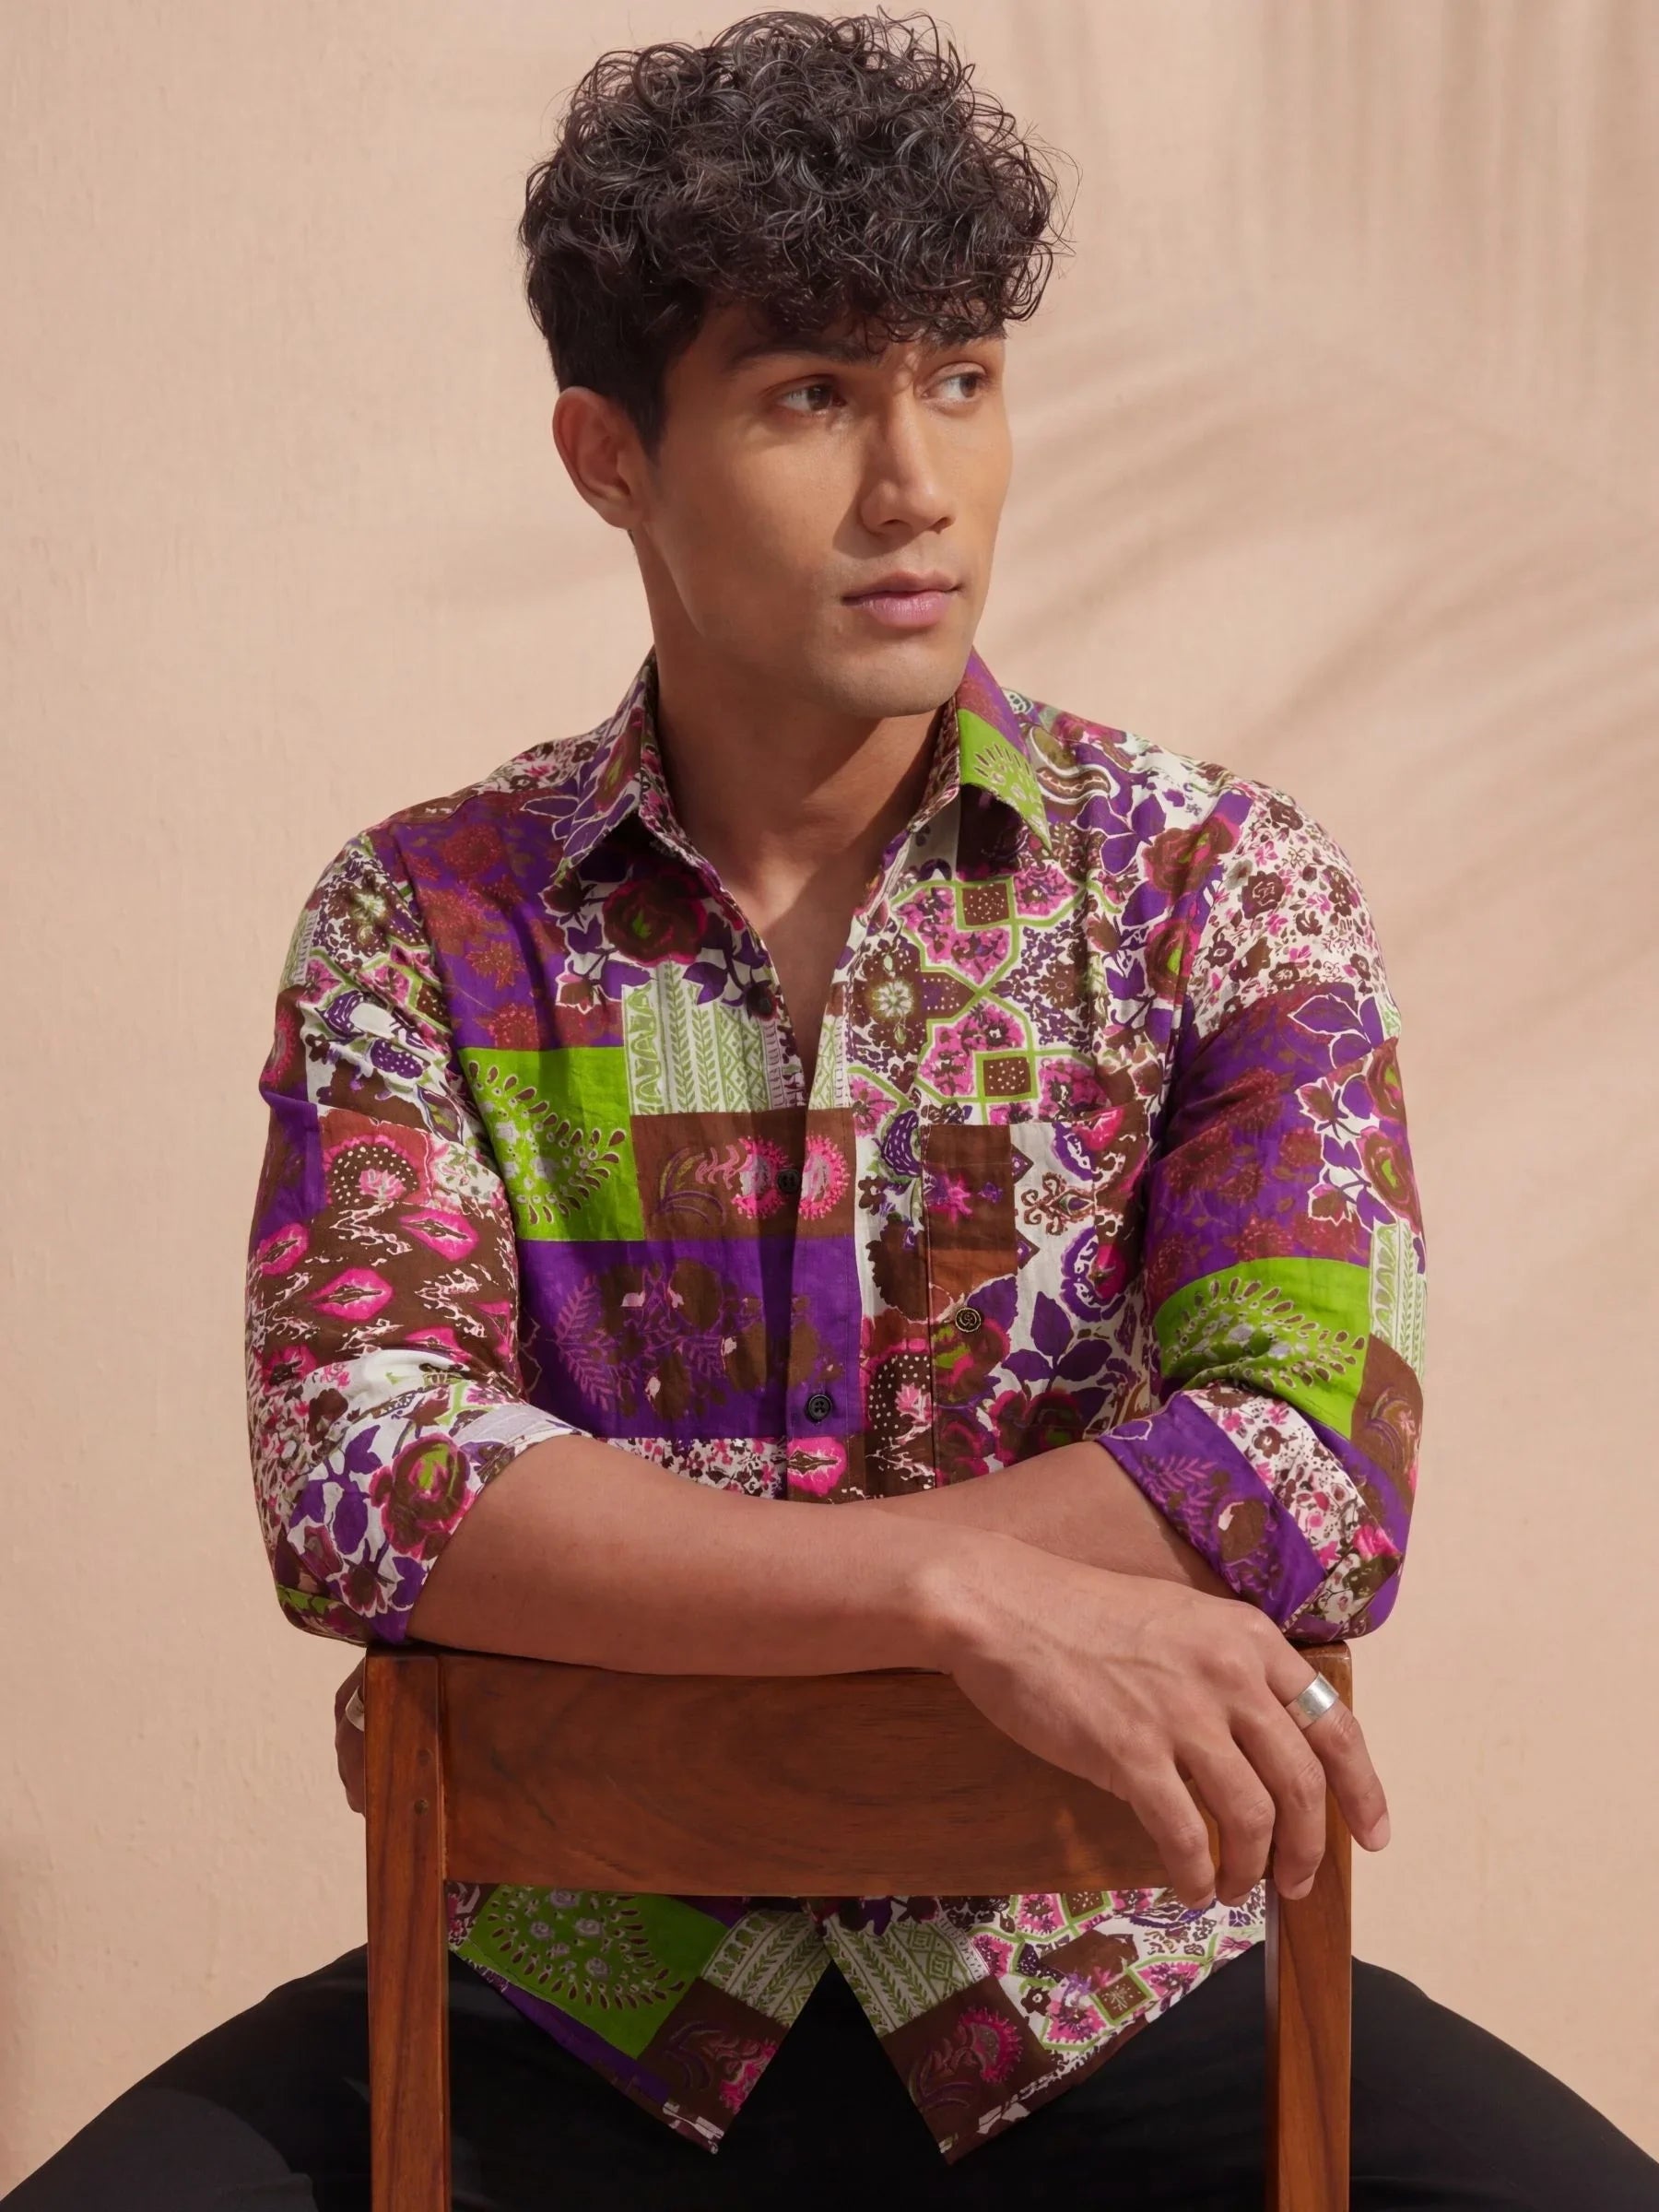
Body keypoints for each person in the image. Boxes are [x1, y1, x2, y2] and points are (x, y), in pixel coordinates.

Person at [11, 11, 1657, 2208]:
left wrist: (730, 1574)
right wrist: (965, 1598)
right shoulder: (430, 917)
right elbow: (365, 1480)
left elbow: (1304, 1468)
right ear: (609, 454)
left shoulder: (1214, 883)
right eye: (811, 396)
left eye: (959, 380)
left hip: (1097, 1983)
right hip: (573, 1988)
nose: (917, 488)